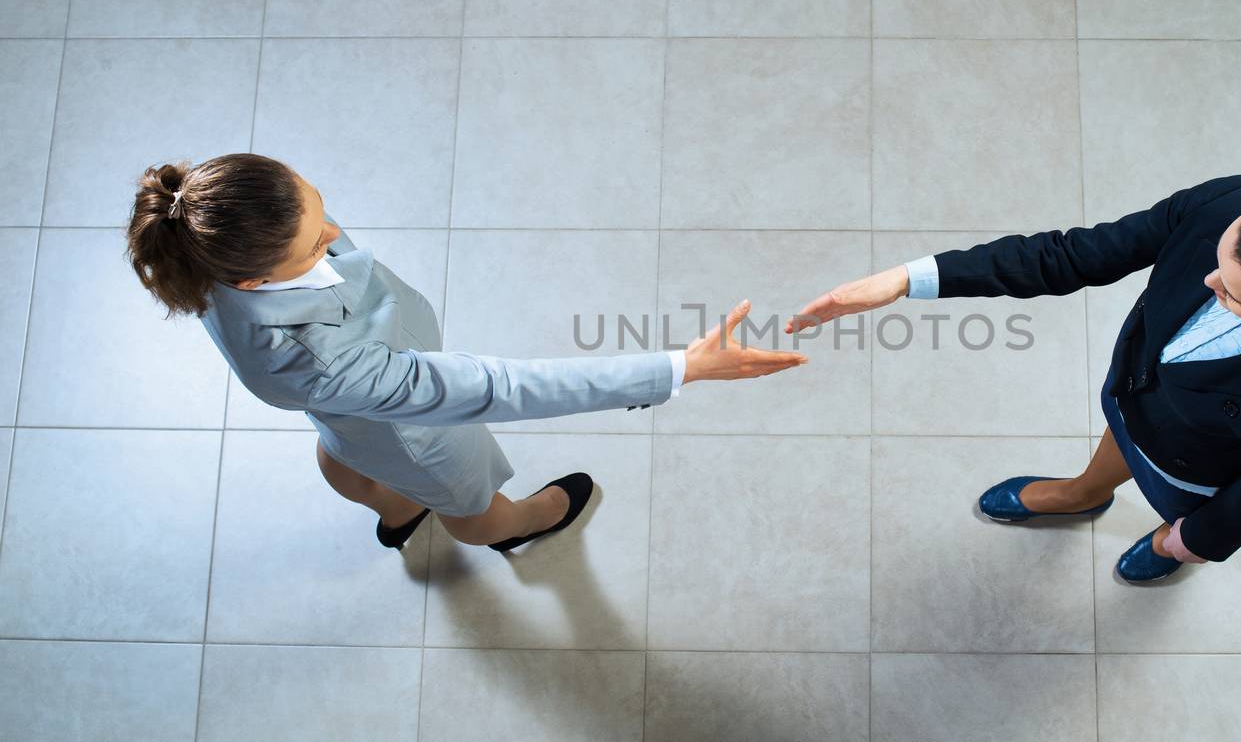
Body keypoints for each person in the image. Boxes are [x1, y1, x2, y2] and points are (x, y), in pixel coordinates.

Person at [127, 153, 805, 552]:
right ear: (257, 279)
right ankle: (514, 530)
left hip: (352, 421)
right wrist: (678, 367)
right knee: (472, 504)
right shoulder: (324, 362)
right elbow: (502, 387)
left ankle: (395, 516)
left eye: (320, 209)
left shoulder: (210, 244)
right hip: (415, 431)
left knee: (345, 449)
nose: (334, 233)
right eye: (313, 243)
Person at [788, 174, 1241, 582]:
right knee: (1121, 434)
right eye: (1220, 257)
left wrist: (1189, 543)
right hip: (1134, 397)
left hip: (1189, 470)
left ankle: (1163, 541)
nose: (1206, 283)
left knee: (1176, 524)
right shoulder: (1233, 200)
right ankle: (1084, 492)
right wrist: (902, 281)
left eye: (1231, 294)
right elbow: (1068, 255)